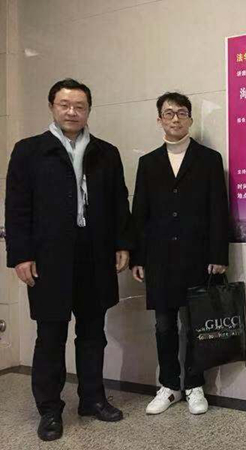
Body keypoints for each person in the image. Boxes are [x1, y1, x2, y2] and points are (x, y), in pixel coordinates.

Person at [5, 78, 132, 441]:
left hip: (95, 254)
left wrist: (123, 244)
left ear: (89, 110)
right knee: (50, 335)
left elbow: (119, 201)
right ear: (52, 107)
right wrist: (21, 255)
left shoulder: (106, 152)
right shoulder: (30, 151)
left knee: (92, 333)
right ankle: (49, 409)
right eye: (65, 105)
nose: (72, 112)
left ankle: (92, 398)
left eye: (80, 106)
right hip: (49, 257)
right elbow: (17, 207)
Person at [131, 92, 229, 415]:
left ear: (190, 119)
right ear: (159, 119)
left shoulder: (209, 159)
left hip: (197, 256)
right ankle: (170, 385)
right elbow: (140, 214)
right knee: (163, 325)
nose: (175, 118)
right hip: (159, 259)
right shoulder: (148, 163)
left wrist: (218, 254)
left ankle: (194, 384)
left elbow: (218, 210)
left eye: (181, 112)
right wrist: (138, 257)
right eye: (168, 113)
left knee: (195, 323)